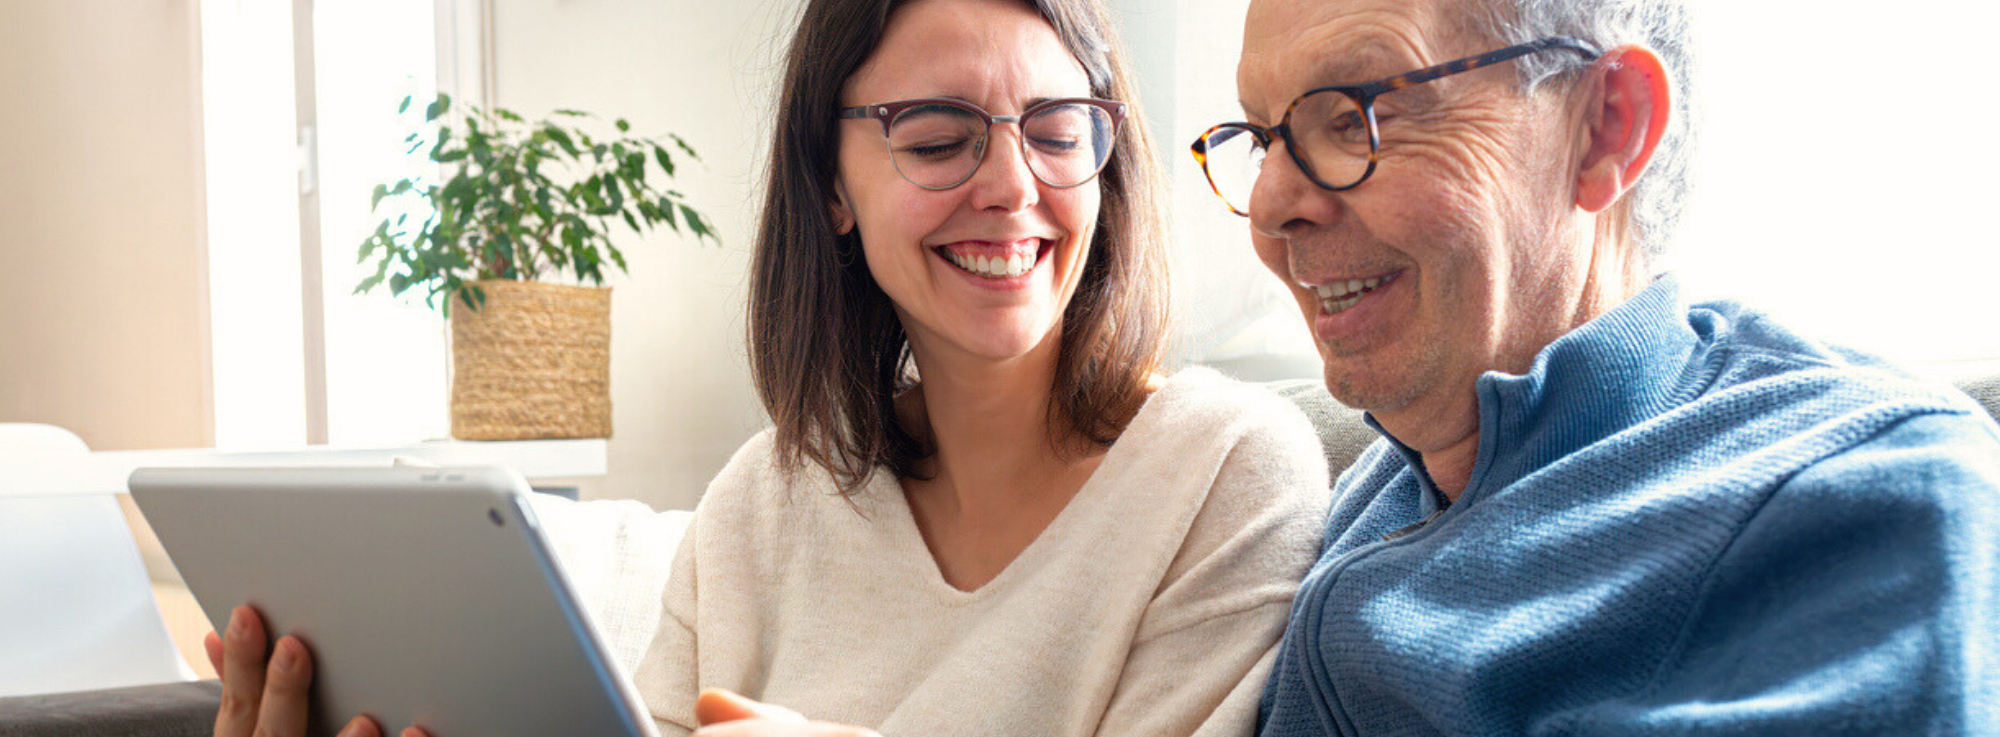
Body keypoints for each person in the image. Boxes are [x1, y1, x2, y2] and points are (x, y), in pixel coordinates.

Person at [204, 0, 1333, 736]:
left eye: (1056, 131)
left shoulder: (1225, 469)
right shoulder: (763, 500)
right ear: (831, 192)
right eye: (937, 137)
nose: (1009, 184)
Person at [1182, 0, 2000, 733]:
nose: (1268, 207)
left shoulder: (1872, 498)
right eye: (1262, 138)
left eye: (1358, 115)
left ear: (1608, 127)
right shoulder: (1369, 488)